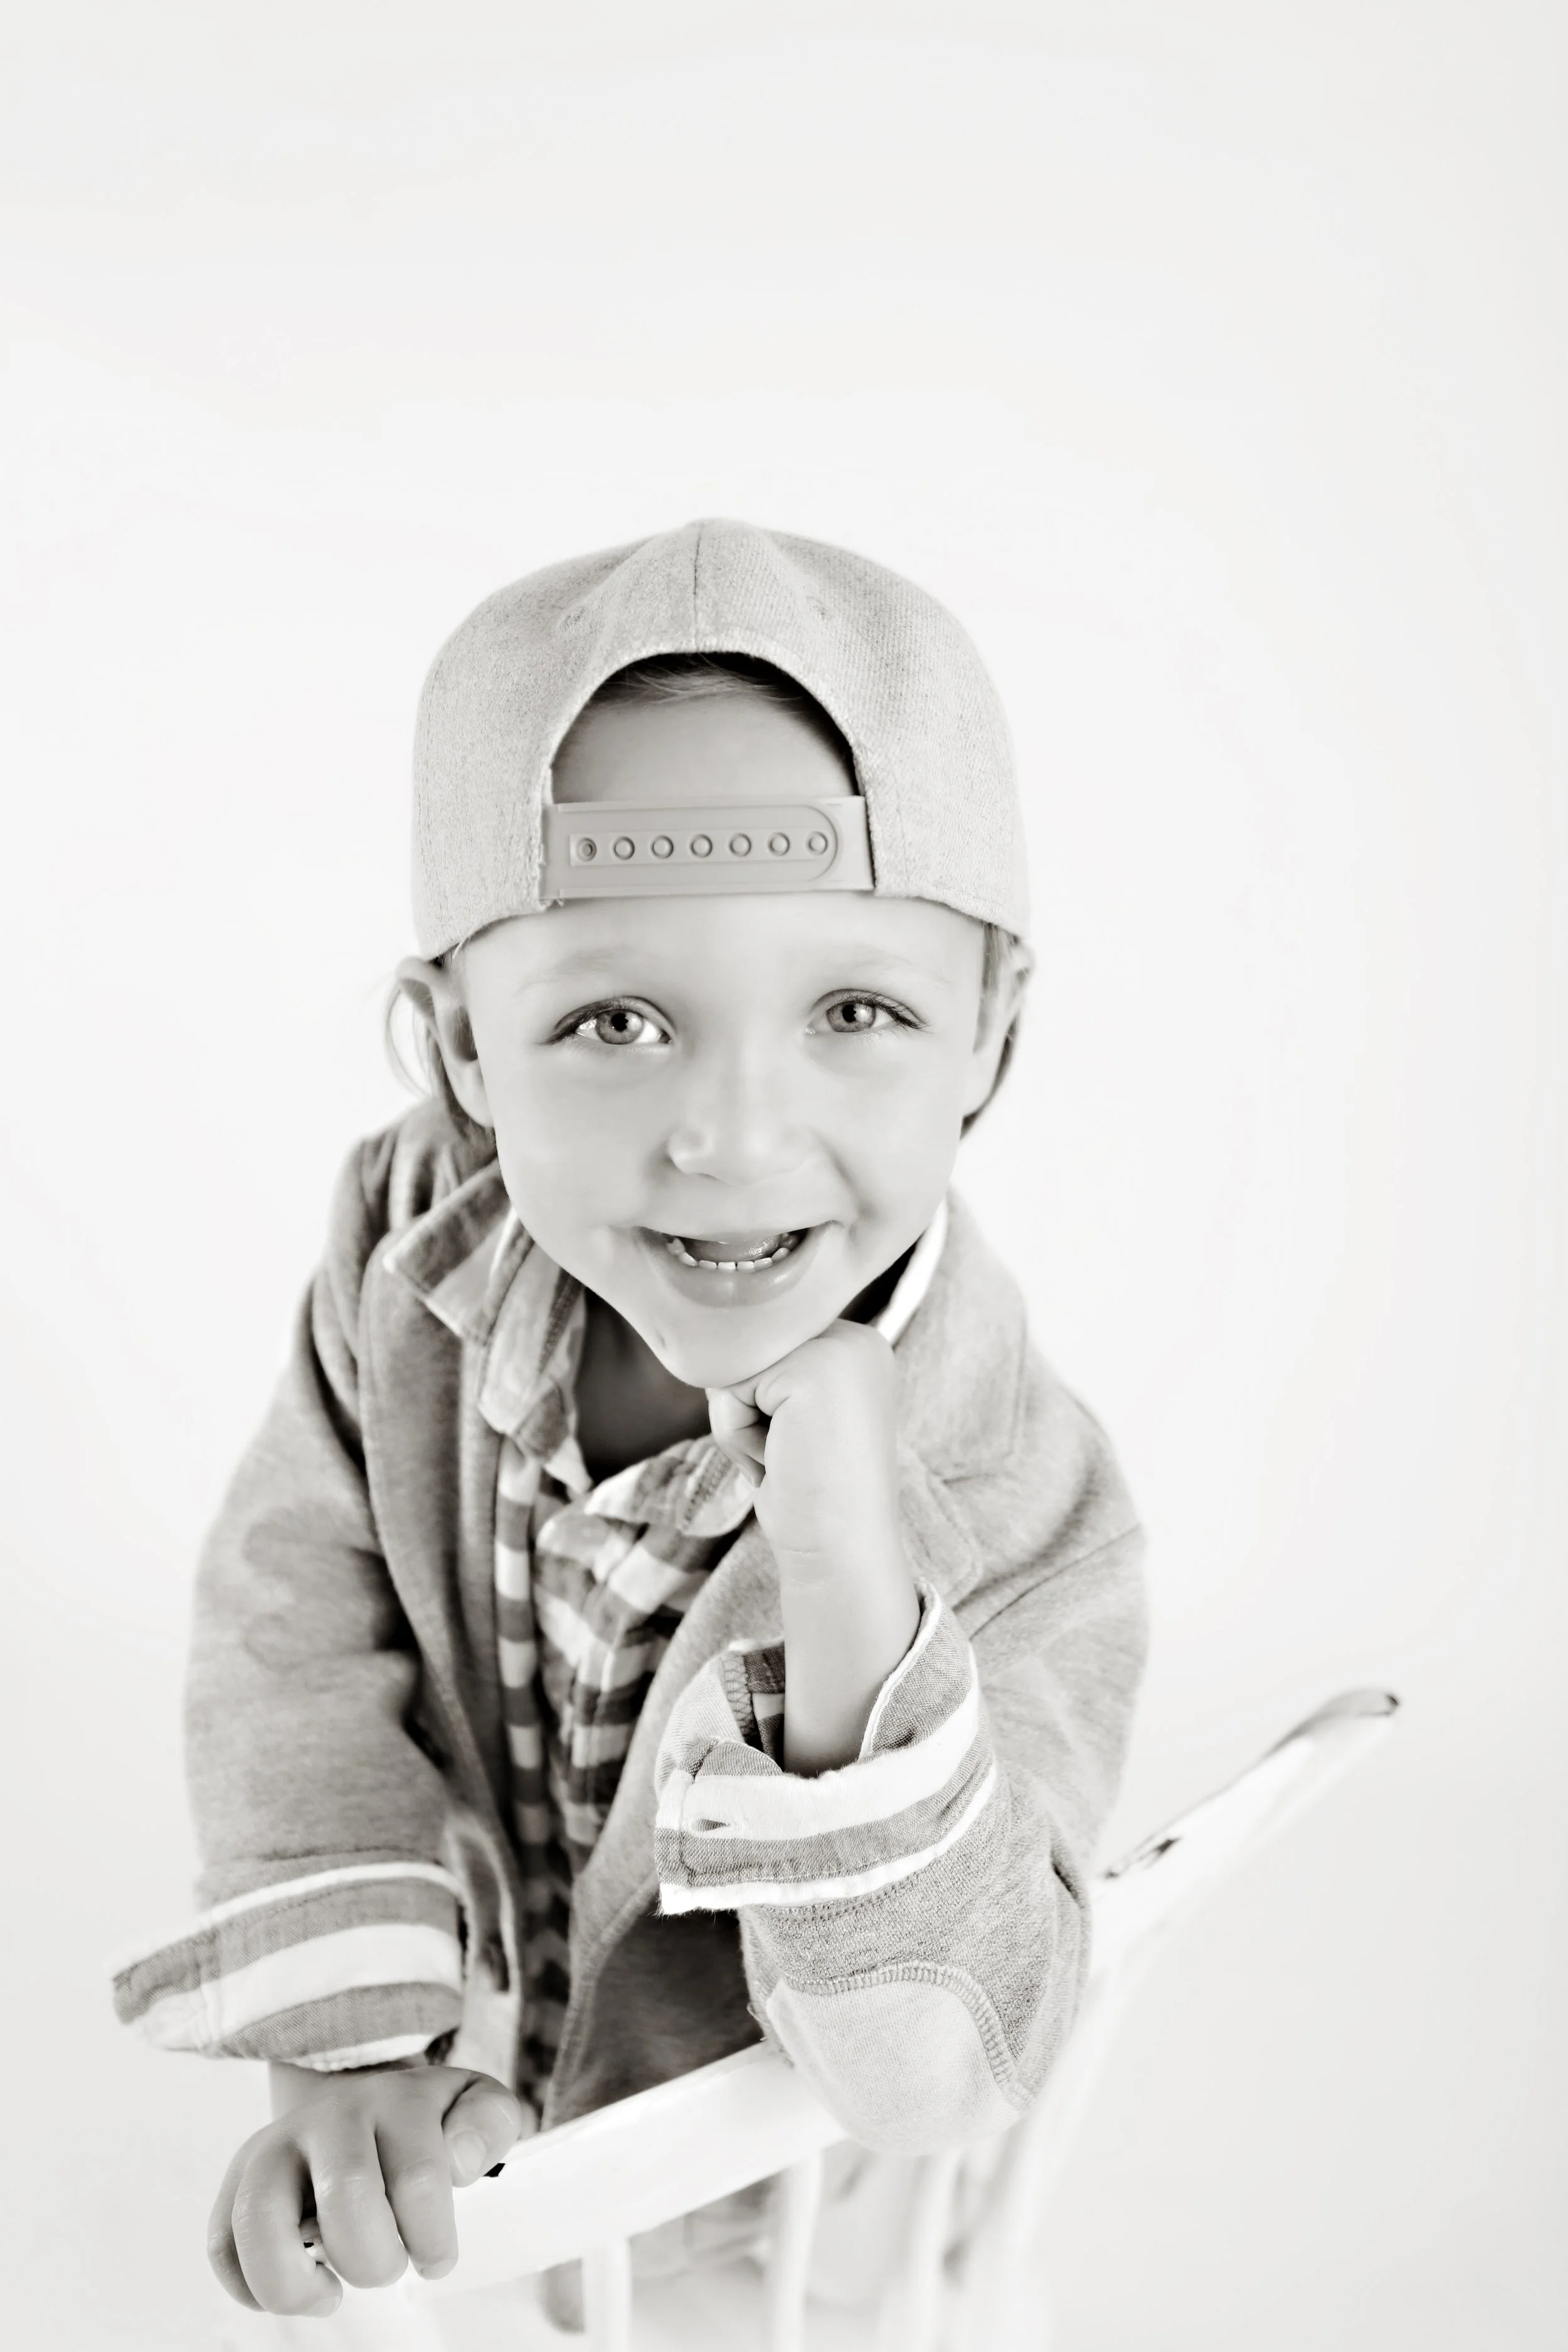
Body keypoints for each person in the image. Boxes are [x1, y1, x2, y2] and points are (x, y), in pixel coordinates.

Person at [112, 519, 1148, 2328]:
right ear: (453, 1051)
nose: (732, 1134)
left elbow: (936, 2079)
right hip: (490, 2129)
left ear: (989, 1035)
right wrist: (351, 2040)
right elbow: (295, 1607)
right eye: (611, 1018)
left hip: (768, 2243)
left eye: (855, 1009)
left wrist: (849, 1587)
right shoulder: (408, 1259)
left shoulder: (1021, 1498)